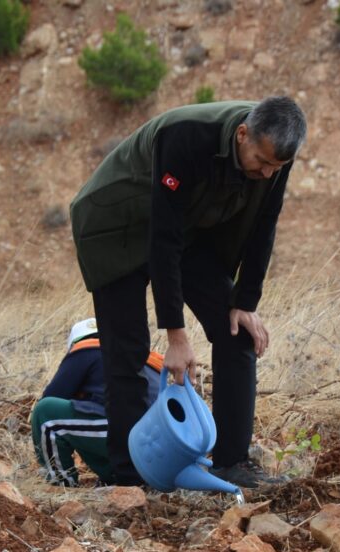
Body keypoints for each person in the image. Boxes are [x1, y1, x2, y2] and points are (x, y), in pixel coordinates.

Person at [69, 97, 307, 488]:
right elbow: (162, 239)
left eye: (275, 167)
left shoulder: (275, 154)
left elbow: (266, 225)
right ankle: (131, 479)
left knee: (237, 333)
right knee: (127, 355)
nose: (267, 173)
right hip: (116, 226)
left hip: (183, 227)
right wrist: (176, 337)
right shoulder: (186, 136)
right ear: (243, 134)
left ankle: (232, 462)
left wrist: (244, 302)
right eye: (262, 162)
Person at [30, 318, 164, 486]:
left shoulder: (85, 349)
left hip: (127, 436)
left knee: (46, 415)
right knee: (86, 413)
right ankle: (118, 479)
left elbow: (52, 396)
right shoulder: (143, 356)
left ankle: (60, 484)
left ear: (74, 342)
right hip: (159, 445)